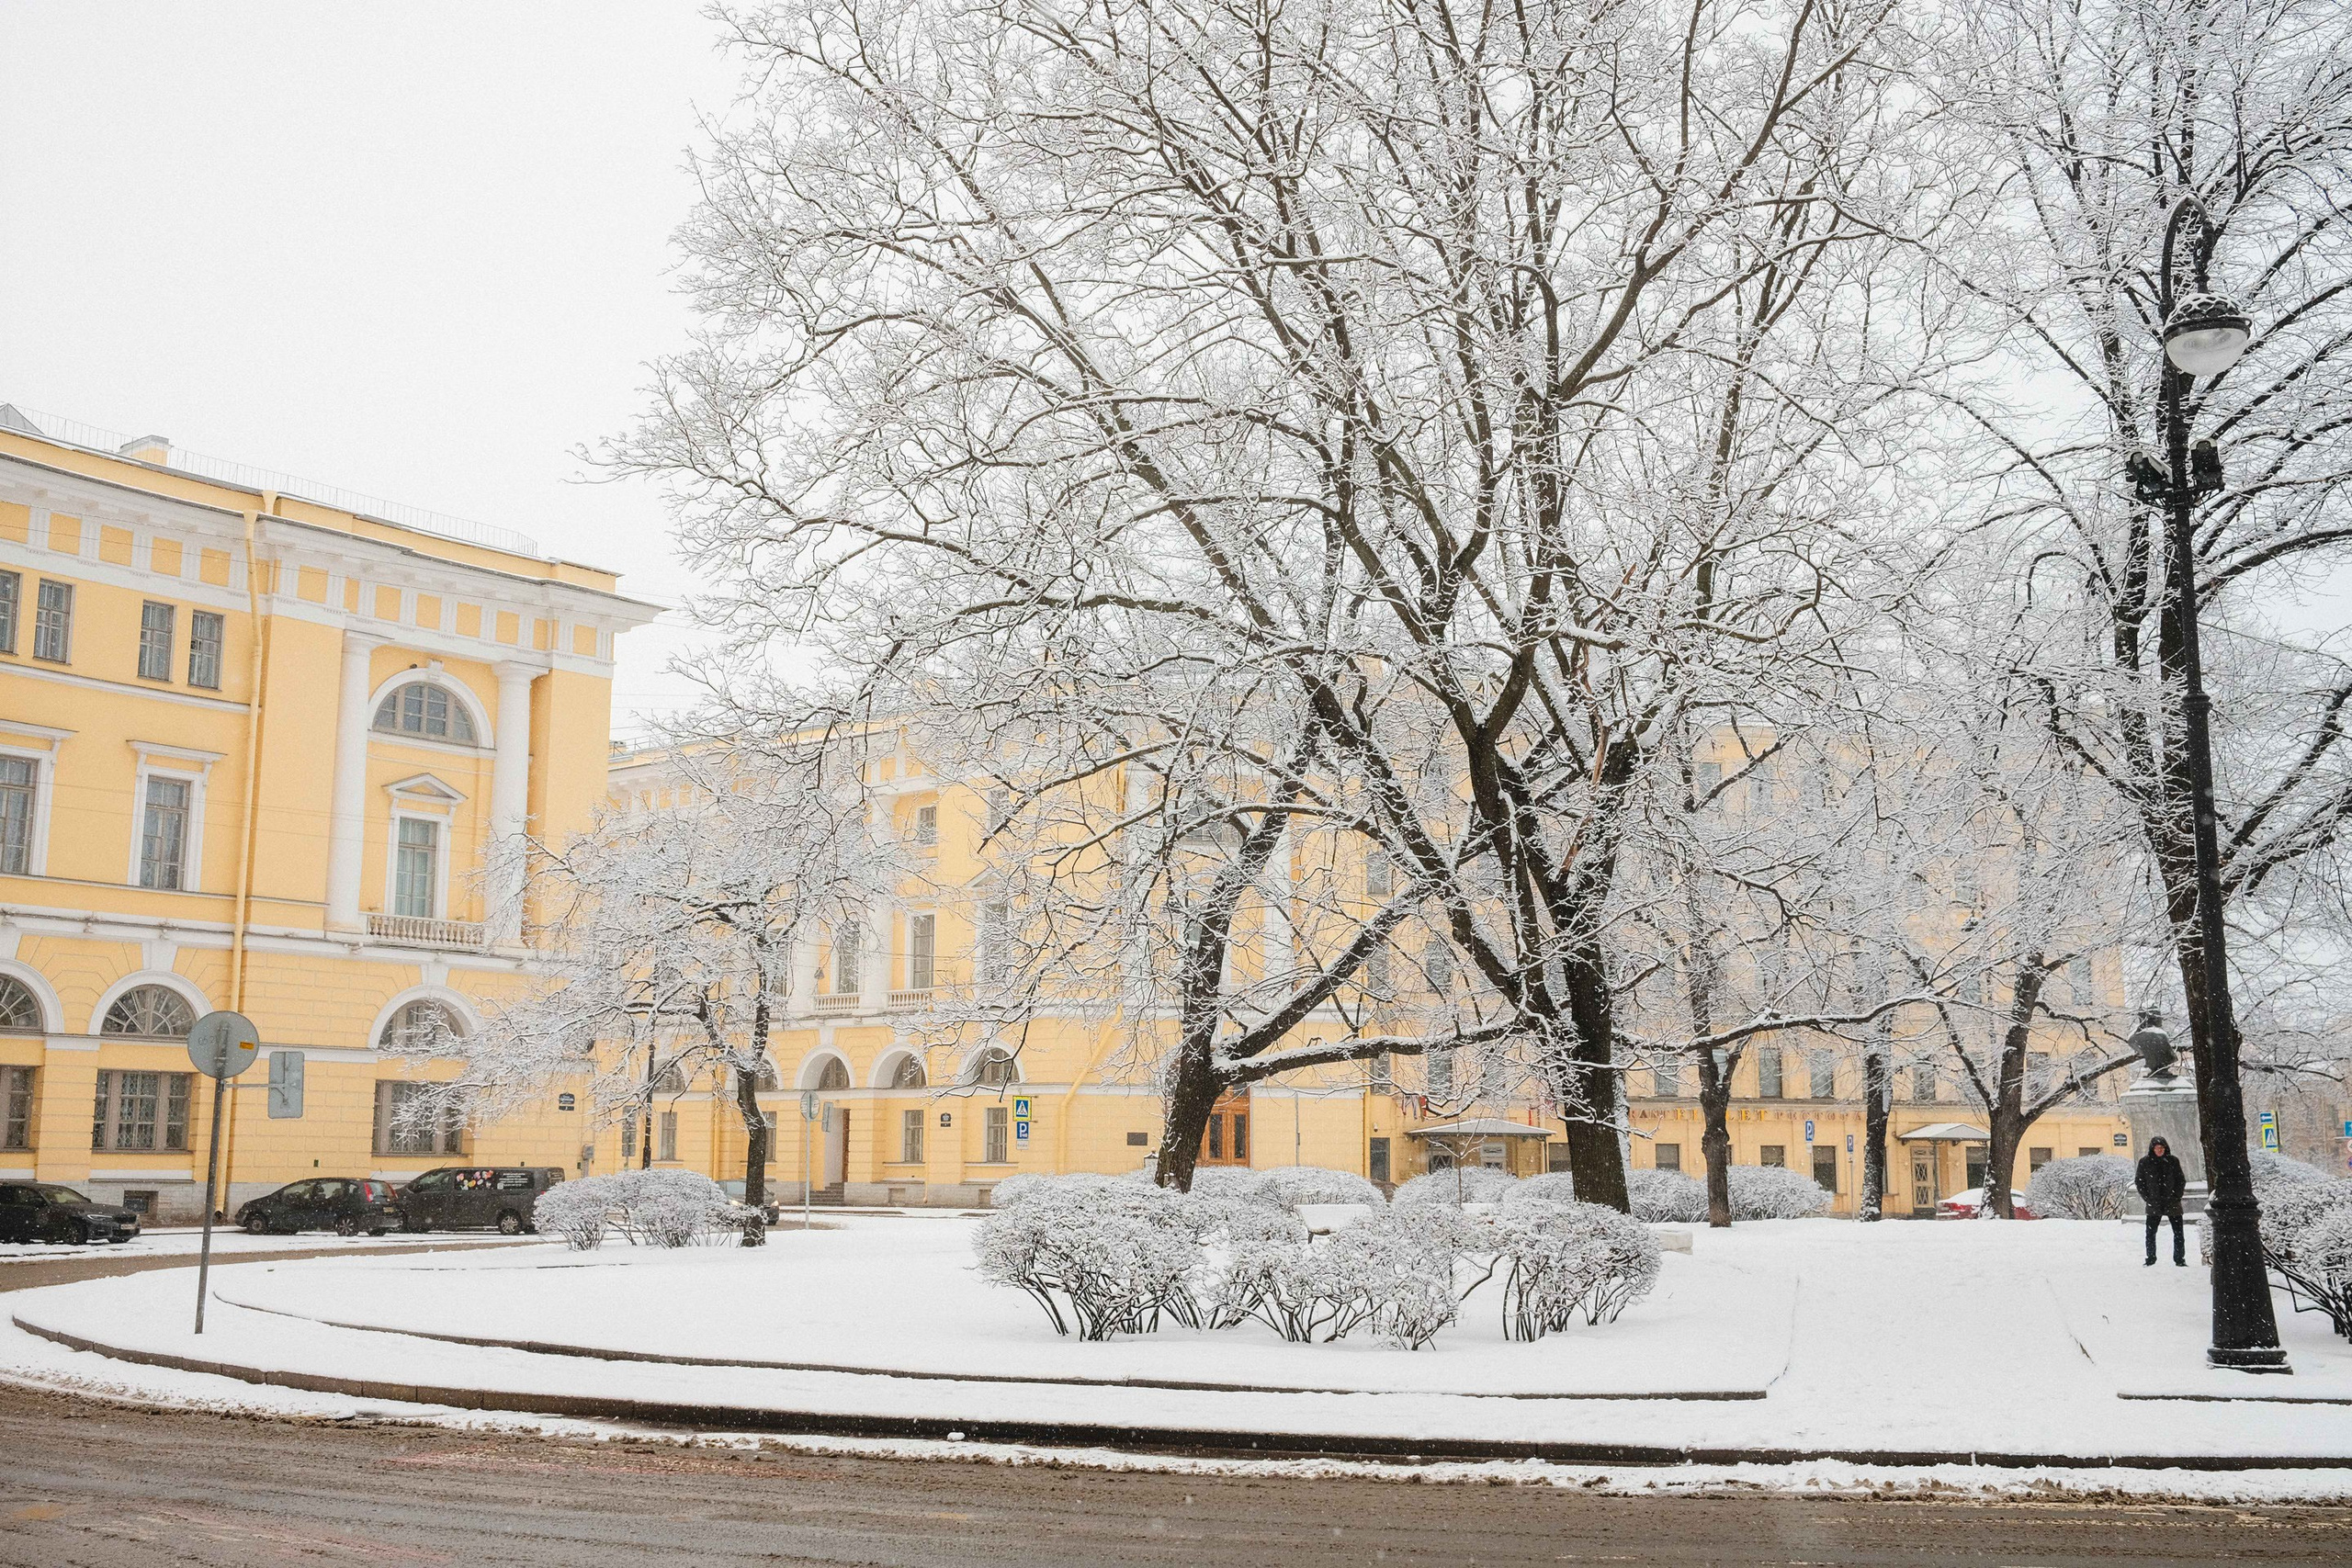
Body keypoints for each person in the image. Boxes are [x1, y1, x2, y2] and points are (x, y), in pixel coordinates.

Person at [2135, 1136, 2188, 1267]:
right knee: (2150, 1233)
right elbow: (2140, 1181)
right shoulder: (2144, 1162)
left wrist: (2176, 1196)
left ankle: (2179, 1259)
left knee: (2178, 1233)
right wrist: (2148, 1197)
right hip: (2154, 1203)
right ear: (2152, 1149)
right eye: (2157, 1148)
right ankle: (2150, 1258)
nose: (2160, 1150)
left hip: (2172, 1202)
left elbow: (2180, 1180)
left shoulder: (2173, 1161)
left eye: (2162, 1147)